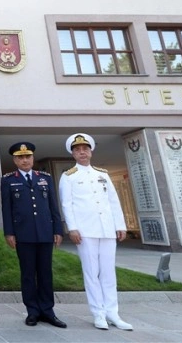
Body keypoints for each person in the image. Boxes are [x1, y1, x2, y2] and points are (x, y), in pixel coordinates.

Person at [59, 133, 133, 331]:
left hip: (107, 228)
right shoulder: (68, 176)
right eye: (77, 150)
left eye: (85, 149)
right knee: (91, 273)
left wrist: (120, 225)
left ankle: (113, 312)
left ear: (91, 151)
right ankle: (98, 313)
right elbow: (67, 204)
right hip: (85, 230)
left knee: (109, 273)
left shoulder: (103, 174)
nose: (82, 152)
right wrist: (72, 228)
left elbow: (113, 202)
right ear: (73, 154)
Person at [0, 142, 66, 328]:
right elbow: (7, 209)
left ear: (32, 158)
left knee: (45, 273)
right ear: (15, 160)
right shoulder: (8, 180)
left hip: (45, 232)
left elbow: (53, 206)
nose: (24, 160)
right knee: (28, 274)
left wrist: (58, 230)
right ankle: (32, 311)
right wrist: (9, 232)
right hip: (23, 234)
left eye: (27, 156)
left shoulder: (44, 178)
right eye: (20, 157)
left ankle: (48, 310)